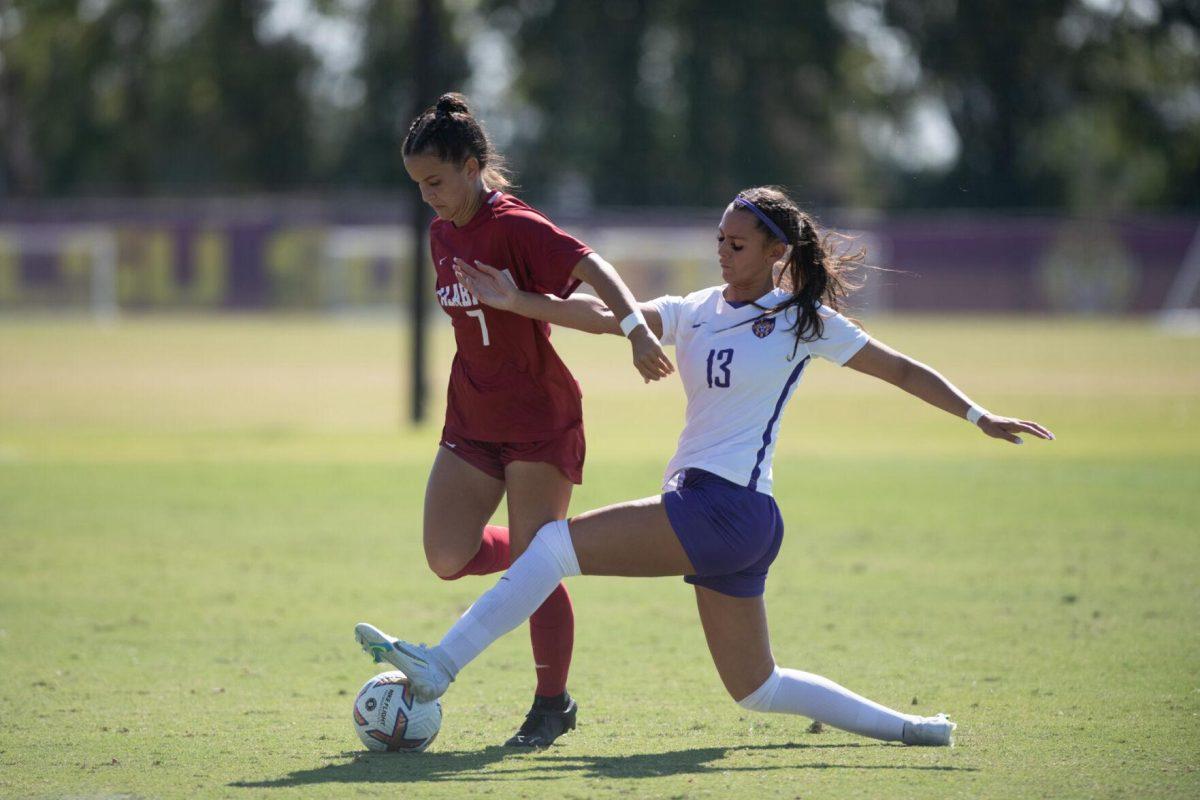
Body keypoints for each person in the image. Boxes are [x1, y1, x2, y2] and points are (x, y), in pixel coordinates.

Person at [357, 186, 1054, 747]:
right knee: (757, 688)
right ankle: (913, 729)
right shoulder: (694, 310)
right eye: (719, 240)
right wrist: (518, 303)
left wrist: (977, 415)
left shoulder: (804, 320)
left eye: (738, 243)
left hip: (722, 507)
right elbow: (603, 316)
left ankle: (439, 665)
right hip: (734, 520)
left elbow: (899, 368)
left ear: (776, 251)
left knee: (551, 549)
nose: (723, 252)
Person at [398, 92, 674, 748]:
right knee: (445, 555)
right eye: (417, 186)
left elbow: (595, 267)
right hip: (471, 416)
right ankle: (541, 555)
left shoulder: (514, 224)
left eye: (435, 181)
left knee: (532, 563)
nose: (428, 197)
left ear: (471, 166)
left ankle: (553, 704)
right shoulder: (441, 234)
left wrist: (635, 330)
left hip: (539, 420)